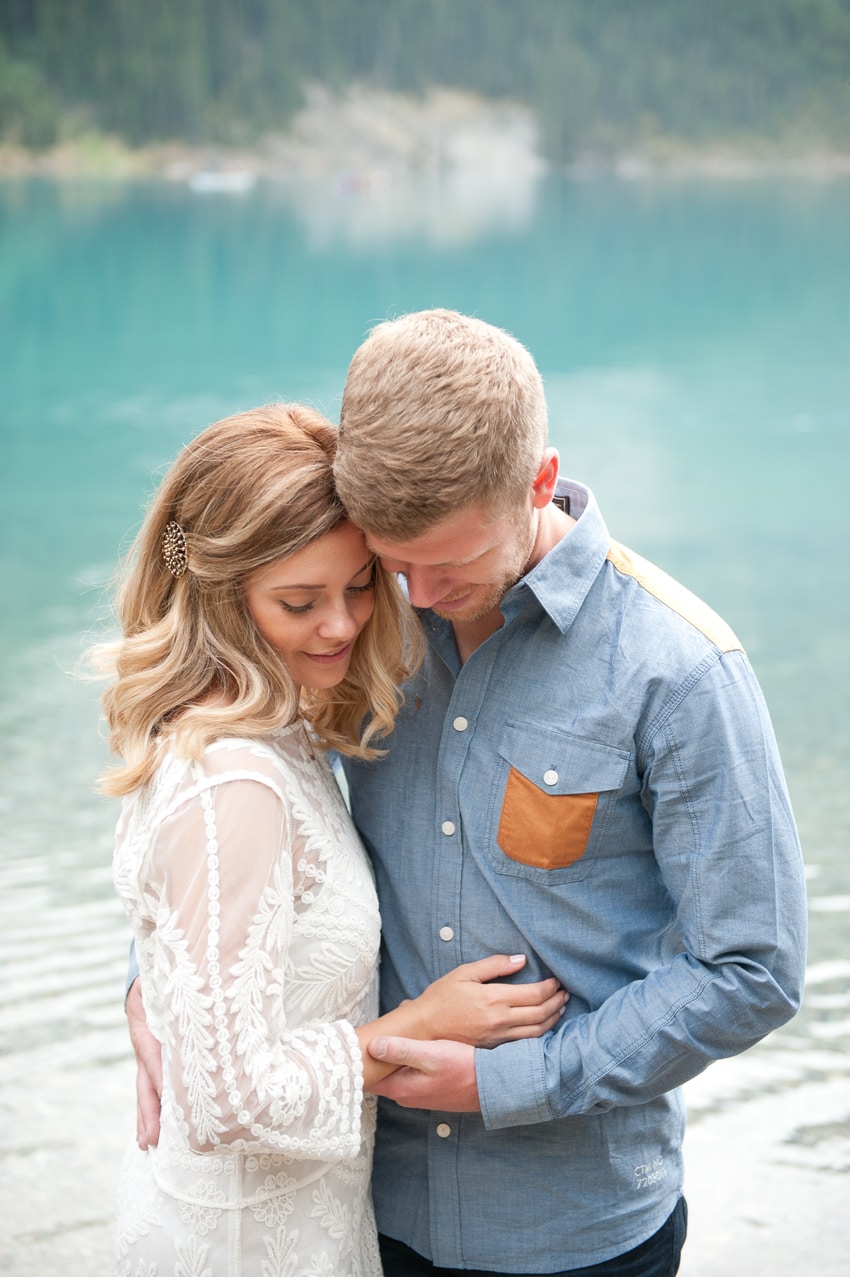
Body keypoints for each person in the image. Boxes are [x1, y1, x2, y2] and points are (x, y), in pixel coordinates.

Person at [129, 311, 807, 1276]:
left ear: (539, 481)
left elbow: (753, 969)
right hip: (366, 1207)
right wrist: (147, 982)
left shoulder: (681, 671)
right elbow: (222, 821)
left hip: (575, 1232)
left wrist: (509, 1080)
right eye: (391, 565)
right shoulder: (361, 624)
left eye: (447, 564)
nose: (416, 596)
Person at [100, 401, 567, 1277]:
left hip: (304, 1216)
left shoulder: (281, 732)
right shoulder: (237, 778)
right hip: (245, 1243)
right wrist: (413, 1027)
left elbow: (203, 934)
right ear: (218, 595)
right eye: (299, 601)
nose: (344, 625)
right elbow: (225, 1099)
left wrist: (152, 984)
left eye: (360, 584)